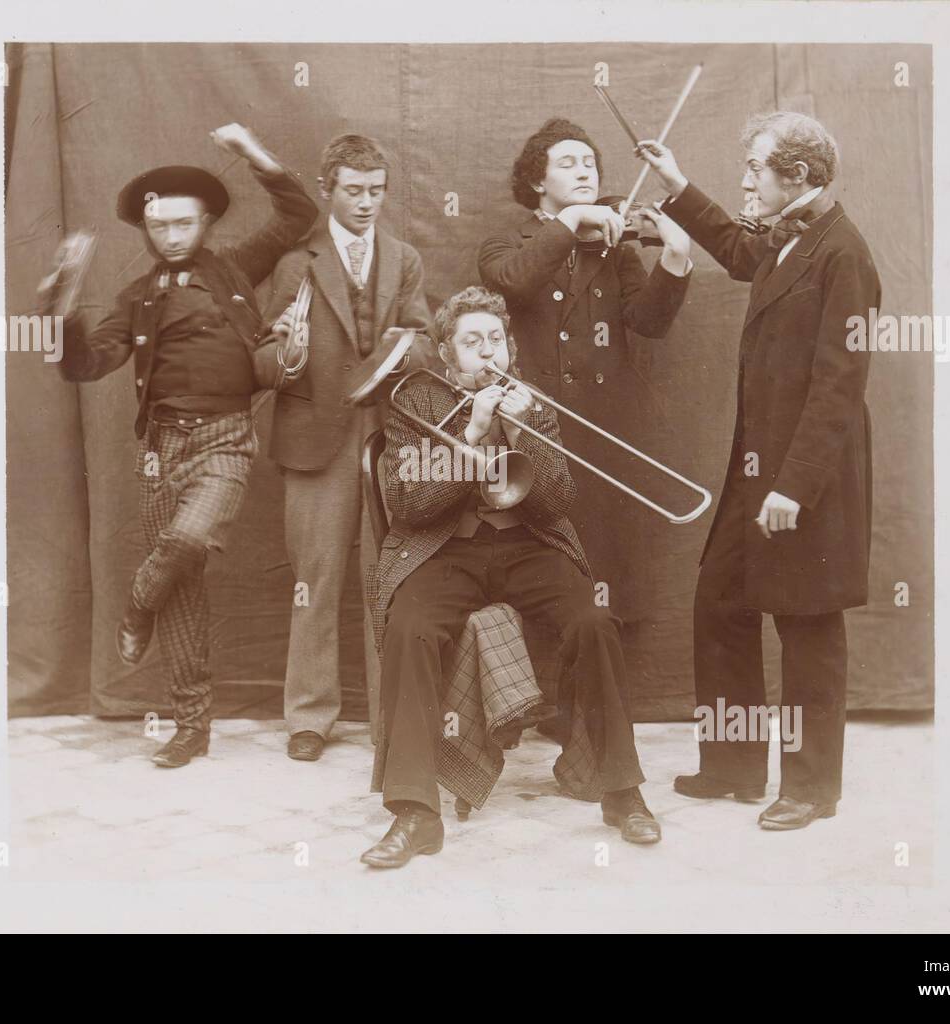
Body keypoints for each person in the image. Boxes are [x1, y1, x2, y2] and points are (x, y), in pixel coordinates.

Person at [360, 286, 661, 869]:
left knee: (593, 622)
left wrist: (523, 433)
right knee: (410, 628)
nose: (487, 352)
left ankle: (622, 792)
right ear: (448, 354)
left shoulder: (533, 401)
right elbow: (411, 506)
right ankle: (416, 812)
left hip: (527, 543)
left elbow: (557, 503)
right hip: (444, 547)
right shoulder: (416, 401)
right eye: (472, 342)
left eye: (495, 340)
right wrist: (469, 437)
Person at [636, 111, 879, 829]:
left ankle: (810, 788)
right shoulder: (788, 234)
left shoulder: (844, 255)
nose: (745, 178)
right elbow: (742, 254)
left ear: (797, 177)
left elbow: (839, 388)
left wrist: (791, 489)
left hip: (808, 479)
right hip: (758, 470)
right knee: (721, 601)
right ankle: (735, 766)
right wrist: (678, 185)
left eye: (754, 168)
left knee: (806, 625)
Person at [51, 123, 318, 768]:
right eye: (161, 227)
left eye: (184, 224)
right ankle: (191, 725)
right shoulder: (136, 297)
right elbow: (87, 364)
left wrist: (253, 153)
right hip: (158, 451)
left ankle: (135, 603)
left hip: (226, 439)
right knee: (183, 589)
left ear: (205, 223)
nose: (173, 236)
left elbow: (299, 214)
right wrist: (59, 315)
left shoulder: (233, 269)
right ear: (147, 231)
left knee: (187, 542)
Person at [477, 117, 693, 737]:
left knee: (605, 571)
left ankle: (586, 716)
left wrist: (673, 258)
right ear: (536, 179)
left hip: (606, 434)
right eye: (569, 162)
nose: (586, 171)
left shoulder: (617, 248)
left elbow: (647, 324)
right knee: (544, 567)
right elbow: (514, 281)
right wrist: (571, 226)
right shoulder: (507, 244)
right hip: (533, 434)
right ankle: (527, 708)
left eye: (591, 164)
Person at [252, 134, 435, 762]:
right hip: (313, 442)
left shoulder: (405, 257)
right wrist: (285, 350)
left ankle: (392, 713)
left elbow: (426, 342)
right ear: (328, 190)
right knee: (316, 579)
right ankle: (309, 717)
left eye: (376, 191)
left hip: (386, 438)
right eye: (354, 191)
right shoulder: (293, 261)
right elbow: (262, 358)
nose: (366, 203)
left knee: (385, 579)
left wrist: (401, 349)